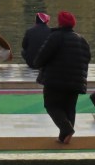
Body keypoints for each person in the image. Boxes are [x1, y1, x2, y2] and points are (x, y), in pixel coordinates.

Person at [35, 10, 91, 145]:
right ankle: (64, 137)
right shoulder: (82, 39)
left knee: (51, 105)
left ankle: (67, 129)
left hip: (55, 79)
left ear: (60, 23)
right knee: (69, 107)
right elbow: (87, 59)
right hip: (76, 81)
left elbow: (42, 56)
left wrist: (37, 63)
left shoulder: (55, 36)